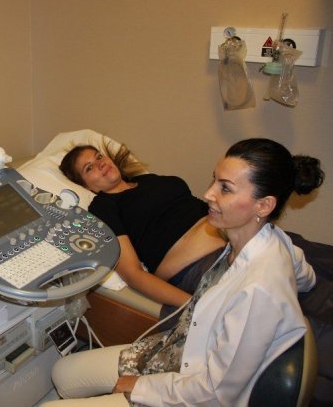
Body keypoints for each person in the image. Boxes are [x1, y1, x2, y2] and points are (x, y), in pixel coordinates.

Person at [43, 137, 323, 406]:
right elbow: (305, 274)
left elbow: (215, 393)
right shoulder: (275, 243)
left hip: (193, 387)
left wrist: (139, 386)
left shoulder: (254, 291)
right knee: (62, 373)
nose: (208, 194)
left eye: (225, 188)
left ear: (264, 205)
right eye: (214, 180)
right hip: (180, 347)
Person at [60, 143, 226, 307]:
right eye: (89, 168)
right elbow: (132, 274)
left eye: (99, 157)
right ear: (85, 186)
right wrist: (195, 306)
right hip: (201, 267)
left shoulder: (146, 180)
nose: (100, 163)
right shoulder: (103, 207)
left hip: (233, 245)